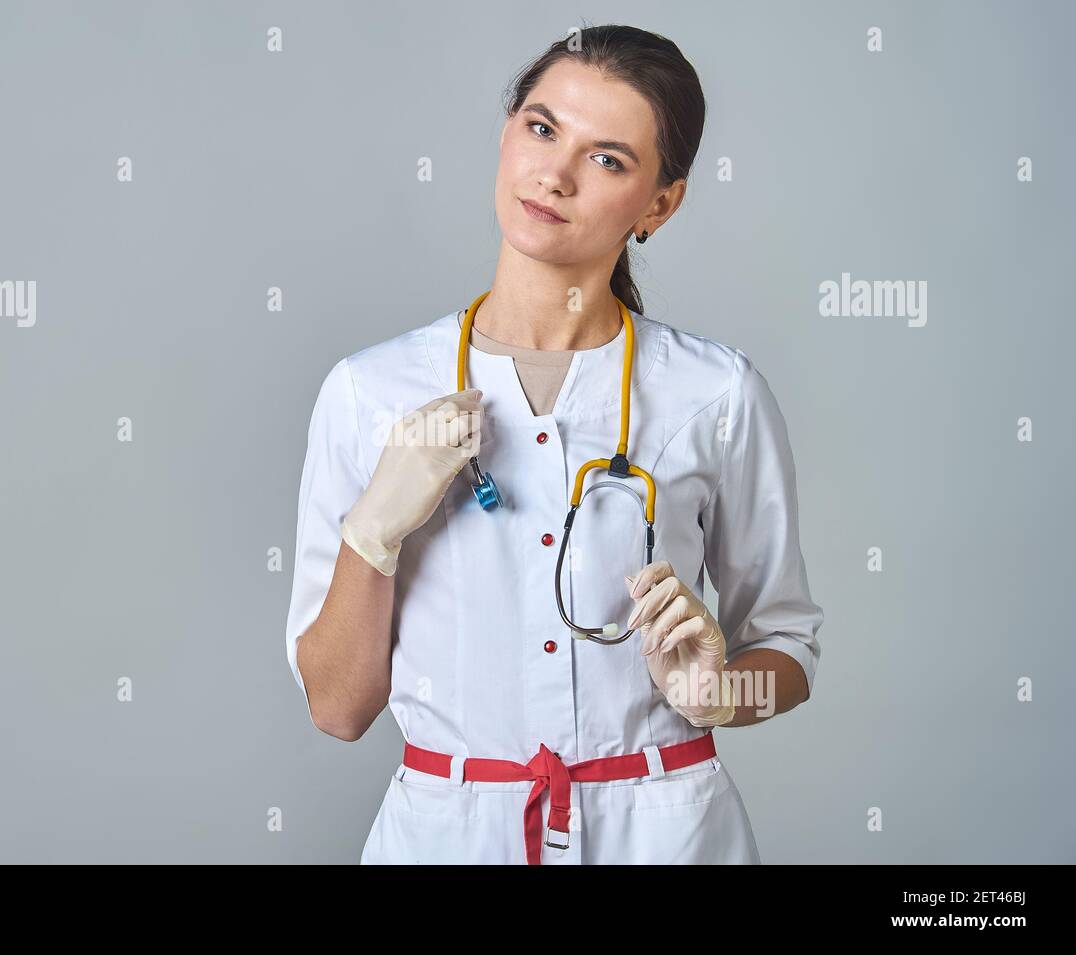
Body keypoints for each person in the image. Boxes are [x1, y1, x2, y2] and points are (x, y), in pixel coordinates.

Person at [284, 25, 823, 865]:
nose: (555, 174)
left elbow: (787, 649)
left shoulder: (716, 395)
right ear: (506, 133)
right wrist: (372, 532)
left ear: (659, 204)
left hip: (666, 836)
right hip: (446, 835)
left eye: (608, 159)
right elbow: (338, 707)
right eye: (542, 129)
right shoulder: (369, 391)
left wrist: (721, 693)